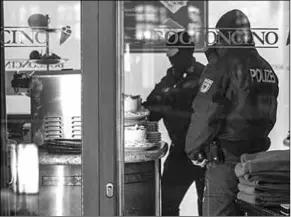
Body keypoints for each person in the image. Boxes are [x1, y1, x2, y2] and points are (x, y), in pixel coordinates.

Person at [185, 9, 279, 216]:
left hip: (226, 161)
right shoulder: (265, 67)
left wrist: (193, 149)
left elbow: (206, 111)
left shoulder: (222, 66)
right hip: (257, 161)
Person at [143, 31, 206, 216]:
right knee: (165, 204)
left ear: (181, 51)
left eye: (170, 50)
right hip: (181, 151)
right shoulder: (171, 77)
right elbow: (152, 110)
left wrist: (166, 102)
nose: (167, 54)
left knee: (208, 208)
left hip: (205, 152)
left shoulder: (203, 76)